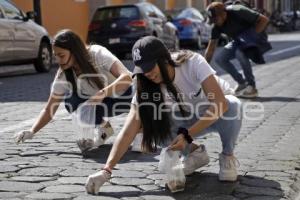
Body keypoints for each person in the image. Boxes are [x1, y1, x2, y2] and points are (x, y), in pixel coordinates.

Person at [85, 36, 242, 194]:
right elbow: (128, 131)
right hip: (186, 118)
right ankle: (194, 153)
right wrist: (106, 170)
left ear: (165, 59)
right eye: (143, 70)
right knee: (153, 123)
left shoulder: (192, 62)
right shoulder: (146, 85)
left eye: (150, 67)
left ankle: (227, 156)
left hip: (218, 115)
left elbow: (220, 104)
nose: (148, 74)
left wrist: (187, 135)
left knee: (233, 105)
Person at [13, 29, 133, 153]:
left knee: (142, 100)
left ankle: (141, 130)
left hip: (126, 97)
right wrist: (32, 131)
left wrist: (103, 93)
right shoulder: (63, 74)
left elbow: (127, 77)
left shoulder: (98, 54)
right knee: (72, 101)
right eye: (56, 56)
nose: (58, 61)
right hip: (101, 103)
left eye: (62, 55)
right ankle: (105, 130)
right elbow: (49, 109)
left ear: (75, 51)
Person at [204, 2, 269, 98]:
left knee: (240, 52)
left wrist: (250, 37)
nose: (214, 22)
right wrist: (202, 67)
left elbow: (264, 20)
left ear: (223, 14)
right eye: (212, 20)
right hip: (239, 40)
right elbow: (211, 48)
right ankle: (242, 83)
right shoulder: (216, 26)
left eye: (215, 19)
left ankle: (252, 87)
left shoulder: (238, 10)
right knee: (220, 58)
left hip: (257, 37)